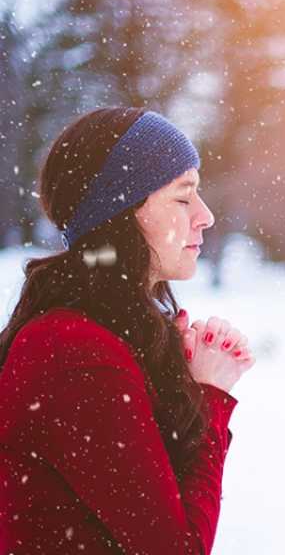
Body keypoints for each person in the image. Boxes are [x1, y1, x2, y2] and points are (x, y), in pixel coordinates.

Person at [0, 107, 256, 553]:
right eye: (182, 197)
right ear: (121, 212)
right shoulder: (73, 352)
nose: (205, 215)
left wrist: (186, 389)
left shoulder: (108, 339)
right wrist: (211, 397)